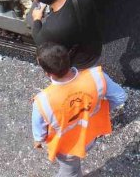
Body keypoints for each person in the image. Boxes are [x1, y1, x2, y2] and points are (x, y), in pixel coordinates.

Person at [31, 43, 127, 177]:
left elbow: (39, 131)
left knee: (70, 172)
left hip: (67, 148)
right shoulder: (97, 77)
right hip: (90, 136)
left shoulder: (42, 101)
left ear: (48, 73)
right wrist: (100, 111)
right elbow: (120, 96)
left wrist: (38, 140)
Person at [28, 0, 102, 69]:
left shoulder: (51, 28)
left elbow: (38, 39)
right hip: (96, 45)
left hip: (80, 62)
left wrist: (37, 19)